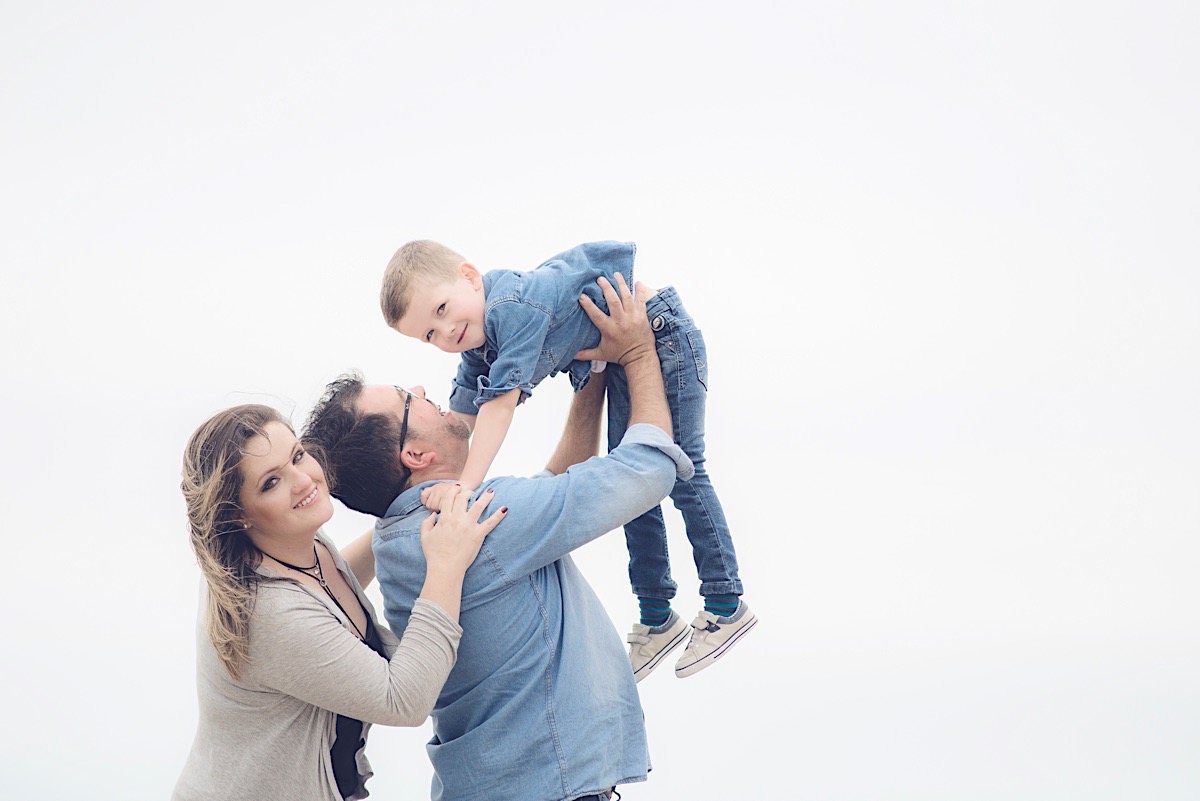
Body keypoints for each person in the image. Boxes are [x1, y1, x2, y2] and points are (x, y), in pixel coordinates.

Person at [303, 276, 692, 801]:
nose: (421, 389)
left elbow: (556, 486)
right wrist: (640, 350)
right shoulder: (479, 520)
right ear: (414, 455)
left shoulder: (405, 536)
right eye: (405, 399)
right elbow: (648, 471)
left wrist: (596, 374)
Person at [379, 239, 755, 680]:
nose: (444, 333)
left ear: (469, 276)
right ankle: (657, 614)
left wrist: (464, 489)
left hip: (660, 331)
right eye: (429, 334)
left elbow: (498, 405)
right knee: (633, 475)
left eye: (442, 310)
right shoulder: (476, 345)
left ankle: (725, 602)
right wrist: (442, 487)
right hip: (617, 354)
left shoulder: (510, 307)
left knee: (683, 468)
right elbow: (460, 421)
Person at [173, 404, 505, 801]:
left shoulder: (293, 546)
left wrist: (402, 518)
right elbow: (404, 701)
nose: (302, 480)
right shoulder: (269, 613)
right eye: (271, 483)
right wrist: (446, 563)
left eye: (297, 456)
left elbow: (327, 593)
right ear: (237, 516)